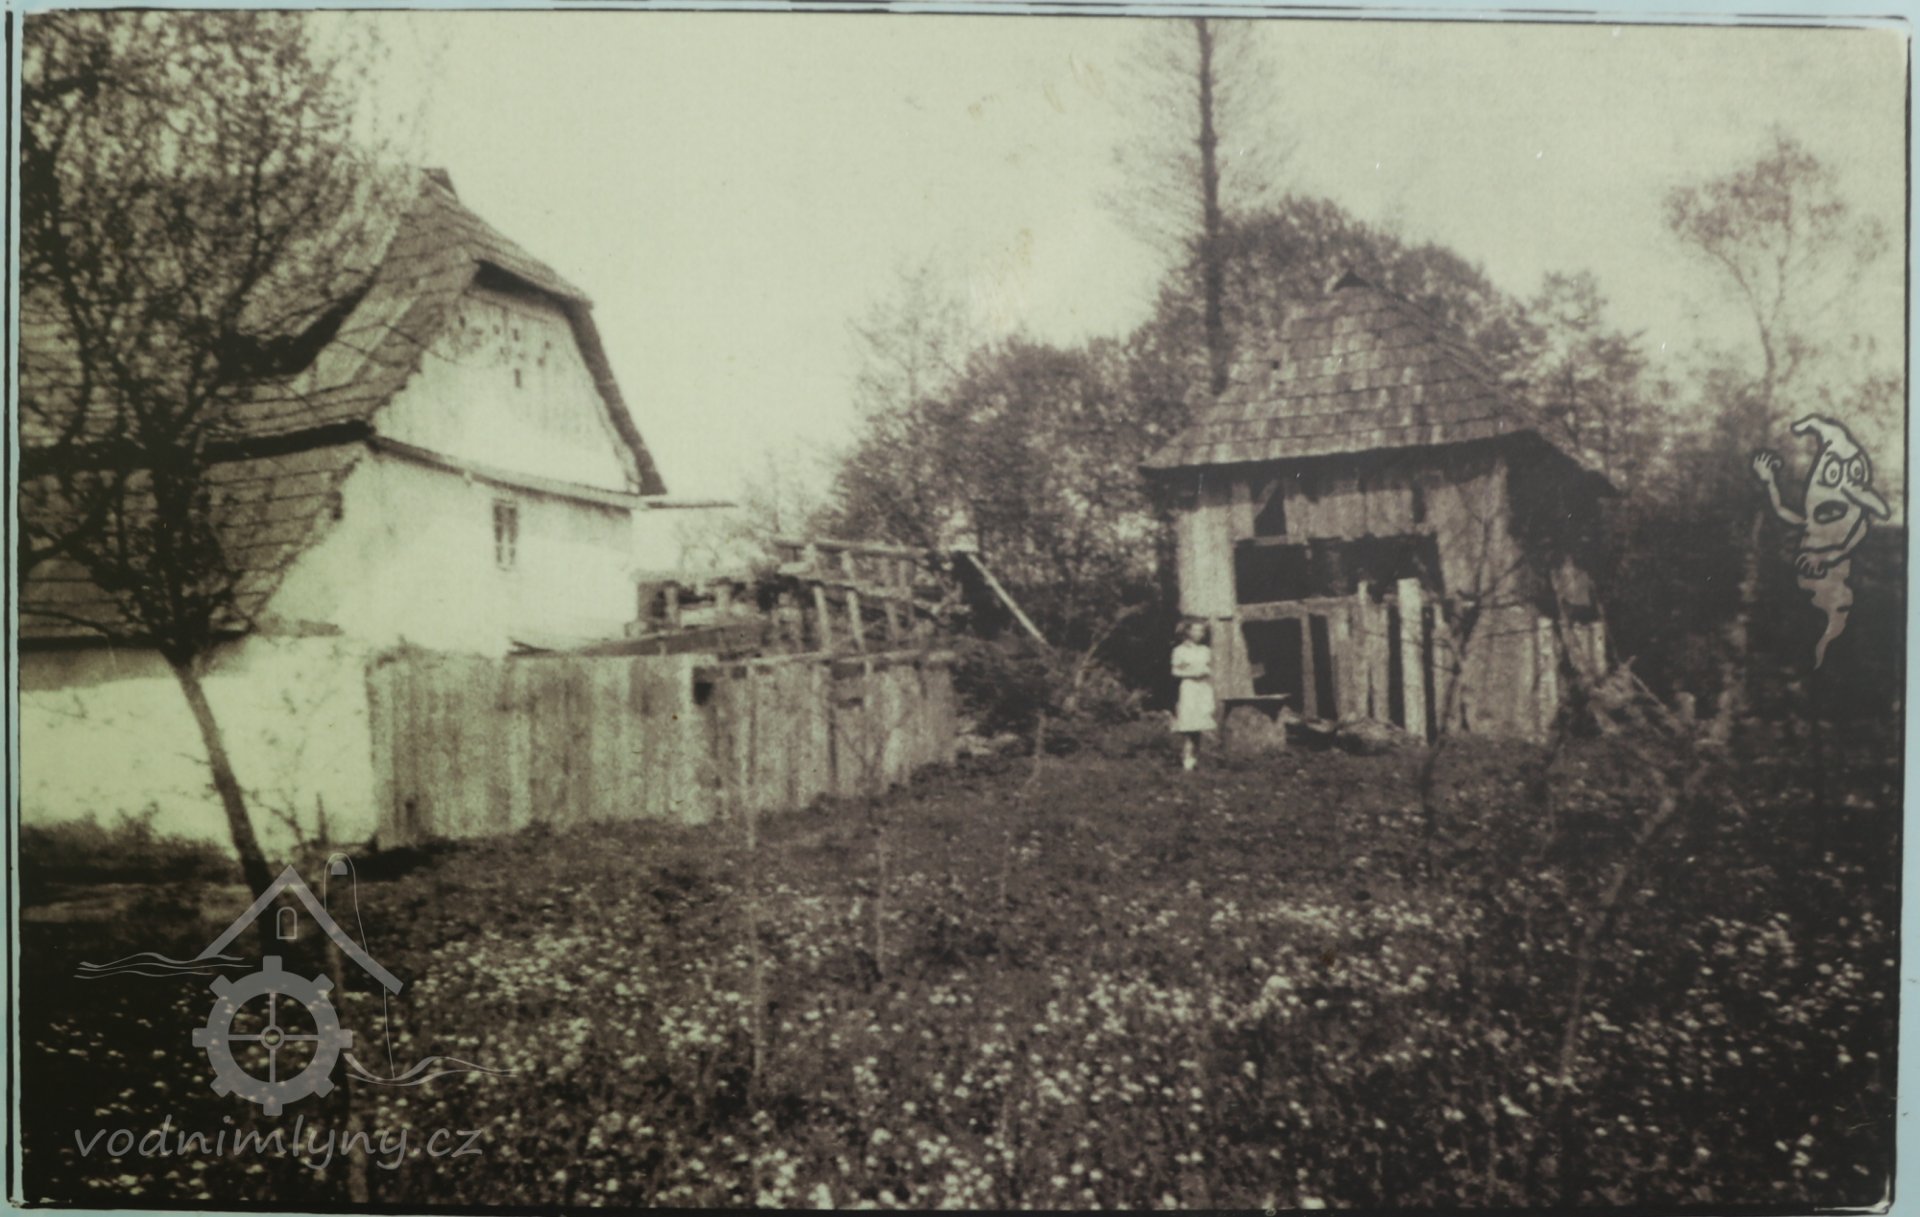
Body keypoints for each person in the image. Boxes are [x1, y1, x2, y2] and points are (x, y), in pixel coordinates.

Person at [1170, 618, 1216, 771]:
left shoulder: (1205, 650)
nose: (1200, 633)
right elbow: (1175, 671)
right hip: (1189, 687)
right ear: (1187, 631)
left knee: (1200, 726)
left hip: (1203, 688)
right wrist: (1192, 674)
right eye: (1196, 630)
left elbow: (1210, 668)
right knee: (1189, 727)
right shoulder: (1179, 651)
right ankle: (1187, 760)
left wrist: (1207, 672)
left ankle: (1195, 760)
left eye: (1202, 631)